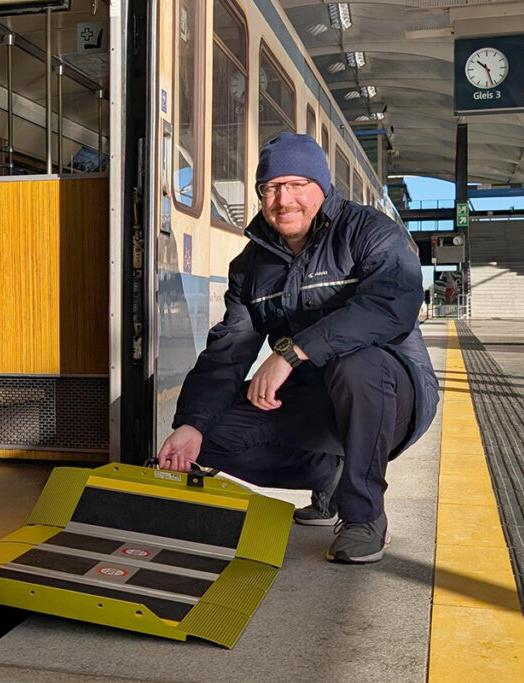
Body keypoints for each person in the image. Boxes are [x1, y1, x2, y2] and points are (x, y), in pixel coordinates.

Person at [156, 133, 439, 564]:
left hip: (389, 394)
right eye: (271, 188)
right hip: (310, 400)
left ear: (321, 187)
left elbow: (390, 306)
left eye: (296, 184)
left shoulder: (370, 231)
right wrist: (191, 423)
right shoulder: (250, 266)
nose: (283, 199)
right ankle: (330, 474)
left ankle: (363, 516)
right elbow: (227, 352)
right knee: (208, 438)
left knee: (357, 366)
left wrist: (292, 352)